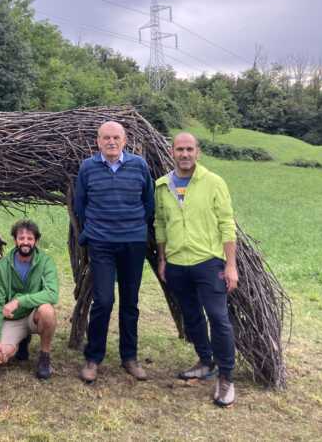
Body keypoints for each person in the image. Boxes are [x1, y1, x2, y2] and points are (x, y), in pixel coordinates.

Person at [154, 132, 238, 407]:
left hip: (208, 263)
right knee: (191, 316)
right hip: (178, 264)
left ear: (197, 152)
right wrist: (164, 260)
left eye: (190, 149)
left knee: (218, 317)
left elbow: (227, 224)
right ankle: (205, 360)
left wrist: (231, 265)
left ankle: (226, 377)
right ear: (172, 152)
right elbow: (161, 225)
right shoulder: (162, 185)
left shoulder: (213, 182)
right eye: (180, 149)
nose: (185, 154)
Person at [74, 121, 155, 383]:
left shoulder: (139, 166)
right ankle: (93, 357)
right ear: (98, 141)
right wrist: (92, 232)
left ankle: (129, 357)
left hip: (133, 242)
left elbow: (149, 203)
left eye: (116, 137)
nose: (111, 142)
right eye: (106, 138)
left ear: (124, 140)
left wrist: (136, 228)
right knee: (104, 300)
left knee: (130, 302)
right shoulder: (88, 168)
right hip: (102, 243)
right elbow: (81, 205)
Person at [0, 220, 59, 379]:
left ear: (36, 241)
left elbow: (52, 294)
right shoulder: (2, 266)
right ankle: (20, 342)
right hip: (13, 319)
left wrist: (19, 301)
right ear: (15, 240)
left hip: (35, 315)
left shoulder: (46, 262)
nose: (25, 242)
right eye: (21, 238)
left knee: (47, 310)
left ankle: (44, 357)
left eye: (30, 238)